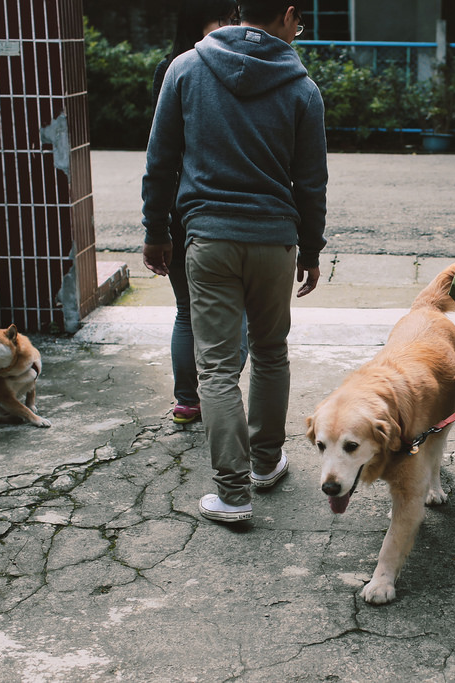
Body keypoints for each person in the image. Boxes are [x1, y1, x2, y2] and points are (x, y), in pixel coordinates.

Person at [142, 1, 327, 523]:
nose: (301, 28)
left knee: (217, 368)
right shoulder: (302, 87)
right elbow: (311, 181)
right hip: (275, 240)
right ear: (288, 14)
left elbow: (160, 161)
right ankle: (267, 463)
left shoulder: (185, 68)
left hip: (209, 238)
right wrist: (310, 249)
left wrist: (156, 233)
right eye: (300, 19)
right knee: (270, 353)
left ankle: (233, 494)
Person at [151, 0, 248, 426]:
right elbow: (162, 157)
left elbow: (161, 156)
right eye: (225, 19)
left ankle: (191, 399)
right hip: (212, 212)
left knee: (189, 311)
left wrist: (156, 226)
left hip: (182, 209)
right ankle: (211, 391)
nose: (232, 27)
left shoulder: (171, 69)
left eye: (234, 19)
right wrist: (156, 229)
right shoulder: (242, 64)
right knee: (216, 309)